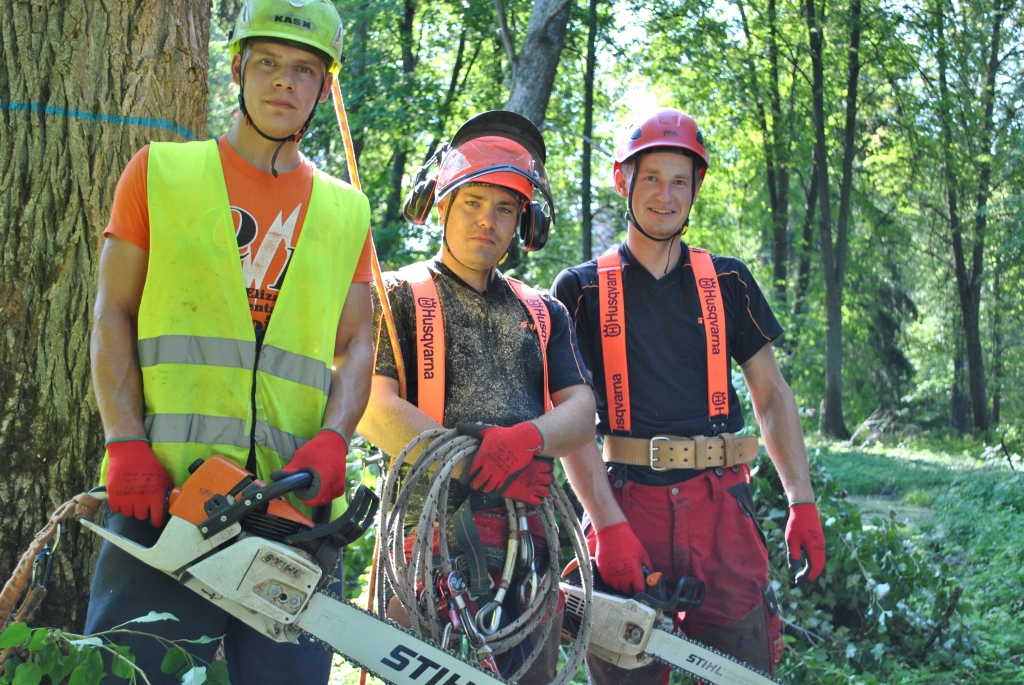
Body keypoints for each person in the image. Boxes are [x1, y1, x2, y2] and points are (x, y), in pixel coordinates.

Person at [86, 1, 375, 682]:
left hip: (293, 505)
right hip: (164, 495)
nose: (284, 81)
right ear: (239, 67)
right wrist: (124, 442)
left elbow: (358, 340)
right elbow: (112, 312)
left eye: (304, 69)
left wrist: (335, 436)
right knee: (130, 673)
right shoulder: (159, 172)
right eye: (267, 62)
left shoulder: (346, 210)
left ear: (323, 88)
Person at [552, 107, 826, 682]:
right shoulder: (579, 289)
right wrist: (607, 526)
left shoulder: (727, 281)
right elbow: (570, 420)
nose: (666, 195)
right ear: (622, 180)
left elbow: (772, 395)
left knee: (743, 673)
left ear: (696, 187)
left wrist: (801, 499)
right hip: (626, 507)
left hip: (721, 509)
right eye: (651, 178)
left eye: (680, 181)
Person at [357, 110, 596, 683]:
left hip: (527, 551)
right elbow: (370, 408)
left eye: (505, 208)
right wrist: (475, 464)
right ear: (441, 206)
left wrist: (526, 441)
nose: (487, 220)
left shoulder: (543, 312)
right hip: (423, 545)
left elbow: (583, 414)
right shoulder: (397, 296)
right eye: (473, 202)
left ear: (524, 224)